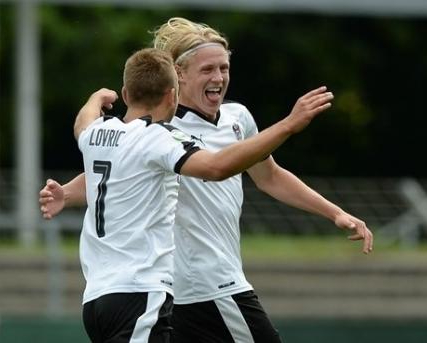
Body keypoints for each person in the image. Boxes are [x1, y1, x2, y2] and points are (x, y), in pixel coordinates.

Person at [65, 47, 333, 343]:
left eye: (223, 68)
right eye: (207, 69)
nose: (218, 76)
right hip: (142, 291)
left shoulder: (100, 133)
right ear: (173, 95)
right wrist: (288, 125)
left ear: (126, 95)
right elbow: (217, 167)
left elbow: (83, 124)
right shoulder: (160, 137)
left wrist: (95, 99)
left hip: (98, 297)